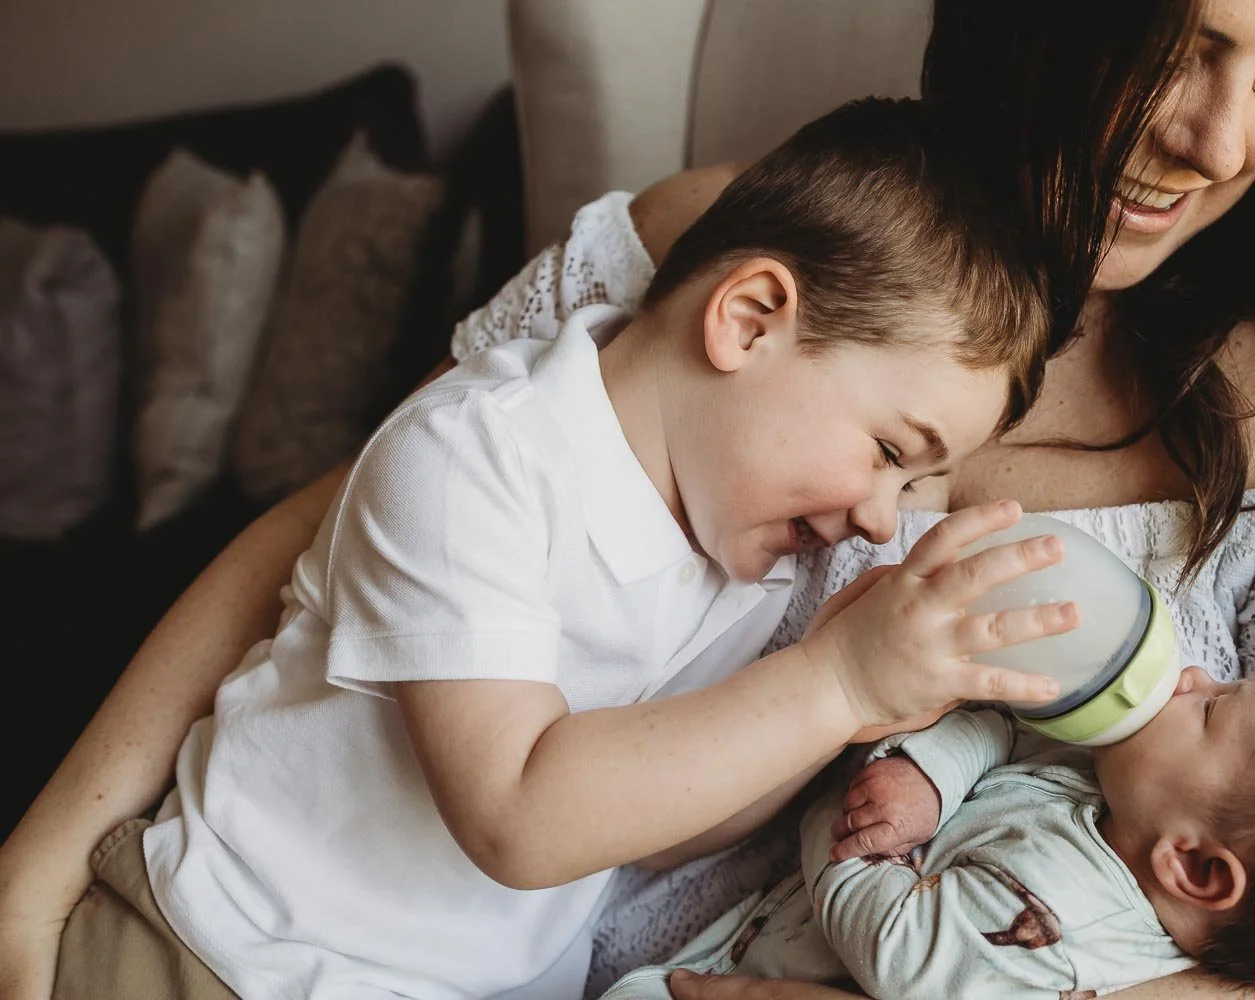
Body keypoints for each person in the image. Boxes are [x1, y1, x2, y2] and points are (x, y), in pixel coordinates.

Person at [3, 0, 1255, 998]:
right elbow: (331, 539)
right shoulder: (723, 249)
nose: (1219, 136)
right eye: (1181, 44)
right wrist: (40, 862)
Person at [41, 98, 1094, 1000]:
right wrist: (828, 681)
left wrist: (837, 714)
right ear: (749, 318)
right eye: (886, 452)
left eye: (909, 487)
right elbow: (521, 814)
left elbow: (654, 824)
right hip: (222, 952)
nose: (878, 514)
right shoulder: (473, 456)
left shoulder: (734, 545)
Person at [598, 667, 1255, 999]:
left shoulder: (1068, 913)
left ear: (1197, 868)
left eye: (1212, 710)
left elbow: (898, 948)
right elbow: (1003, 722)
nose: (1194, 676)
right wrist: (929, 777)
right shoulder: (1124, 796)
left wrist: (851, 808)